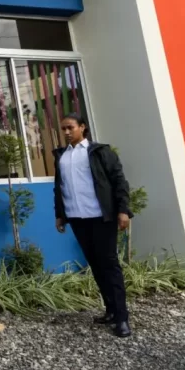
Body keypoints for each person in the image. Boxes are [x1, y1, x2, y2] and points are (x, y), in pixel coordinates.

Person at [54, 113, 132, 338]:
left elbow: (119, 181)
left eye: (70, 127)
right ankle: (110, 310)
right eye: (63, 129)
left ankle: (122, 318)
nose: (67, 132)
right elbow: (59, 188)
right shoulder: (61, 156)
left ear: (82, 127)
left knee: (109, 265)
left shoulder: (100, 152)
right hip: (77, 218)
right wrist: (60, 214)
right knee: (95, 265)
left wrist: (123, 210)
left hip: (101, 217)